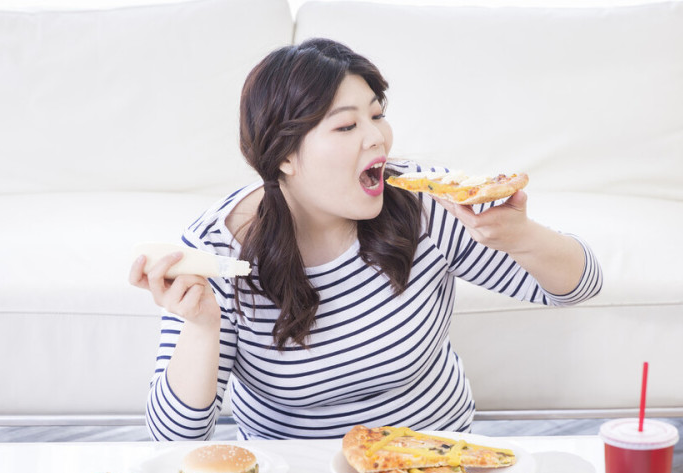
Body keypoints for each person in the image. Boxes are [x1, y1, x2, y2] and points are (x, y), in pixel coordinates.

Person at [129, 38, 602, 441]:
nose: (378, 138)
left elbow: (579, 287)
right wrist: (202, 327)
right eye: (347, 125)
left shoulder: (425, 202)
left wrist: (521, 237)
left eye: (377, 116)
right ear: (284, 156)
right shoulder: (217, 250)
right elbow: (173, 439)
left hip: (438, 460)